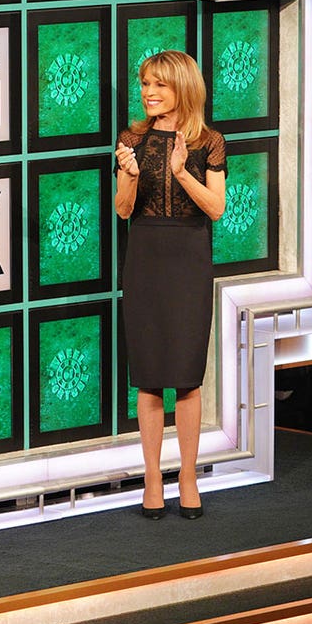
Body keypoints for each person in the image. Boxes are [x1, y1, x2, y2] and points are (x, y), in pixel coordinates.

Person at [114, 50, 226, 520]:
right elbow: (123, 210)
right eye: (144, 84)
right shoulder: (131, 139)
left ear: (183, 87)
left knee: (184, 376)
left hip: (188, 260)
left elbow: (216, 208)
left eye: (158, 84)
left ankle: (187, 476)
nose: (148, 93)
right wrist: (132, 177)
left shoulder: (209, 142)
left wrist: (182, 172)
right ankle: (154, 477)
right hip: (144, 259)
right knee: (149, 375)